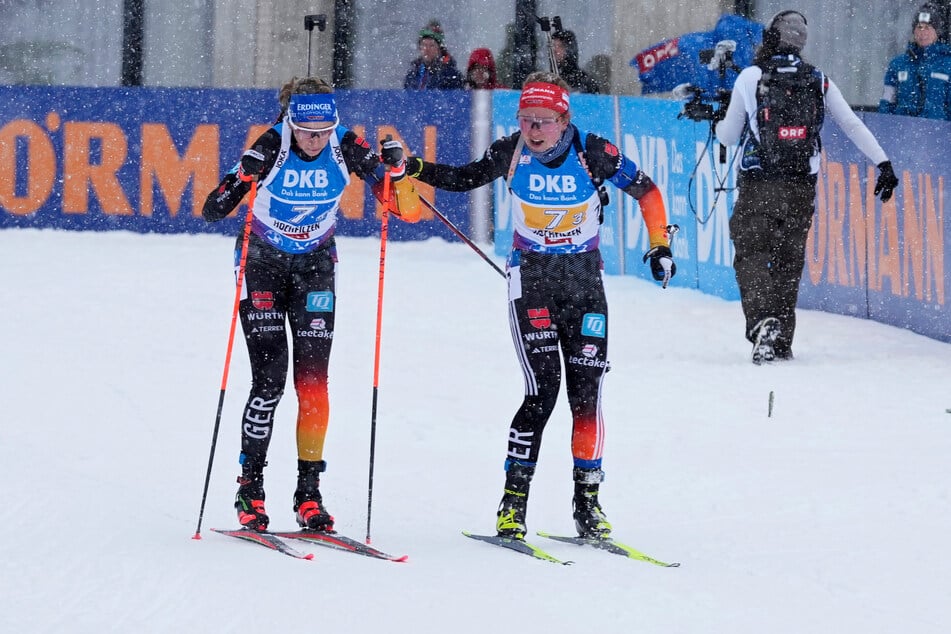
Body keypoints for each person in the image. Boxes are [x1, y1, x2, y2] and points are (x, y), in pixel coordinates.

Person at [401, 71, 675, 540]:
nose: (533, 130)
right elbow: (465, 177)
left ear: (563, 119)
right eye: (526, 119)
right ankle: (513, 504)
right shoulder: (510, 153)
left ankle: (588, 504)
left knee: (586, 395)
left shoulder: (593, 151)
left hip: (584, 280)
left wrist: (658, 245)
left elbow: (647, 191)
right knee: (542, 390)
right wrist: (414, 167)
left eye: (543, 121)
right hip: (532, 278)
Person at [202, 76, 415, 532]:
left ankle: (308, 494)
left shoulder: (345, 144)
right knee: (269, 382)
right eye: (306, 132)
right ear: (290, 122)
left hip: (315, 268)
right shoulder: (272, 144)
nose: (315, 141)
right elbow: (212, 209)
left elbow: (399, 204)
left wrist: (395, 171)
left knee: (313, 385)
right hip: (262, 266)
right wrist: (242, 174)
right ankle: (251, 488)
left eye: (323, 131)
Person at [715, 10, 898, 364]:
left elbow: (728, 135)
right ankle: (781, 338)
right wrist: (883, 163)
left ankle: (761, 322)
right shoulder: (817, 79)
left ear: (769, 38)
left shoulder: (751, 77)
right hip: (801, 184)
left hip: (759, 183)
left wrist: (721, 118)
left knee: (752, 254)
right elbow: (851, 123)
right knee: (788, 261)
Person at [879, 3, 951, 120]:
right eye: (919, 27)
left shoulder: (948, 65)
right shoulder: (898, 64)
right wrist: (884, 125)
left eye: (928, 27)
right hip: (901, 131)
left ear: (937, 32)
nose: (922, 32)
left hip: (936, 133)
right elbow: (887, 102)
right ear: (914, 30)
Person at [403, 20, 464, 90]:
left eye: (431, 45)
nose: (427, 49)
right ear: (420, 47)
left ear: (439, 49)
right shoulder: (413, 74)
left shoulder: (450, 75)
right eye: (424, 45)